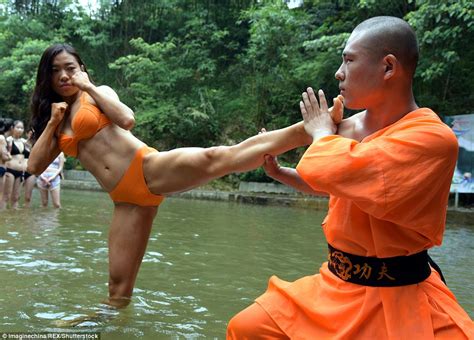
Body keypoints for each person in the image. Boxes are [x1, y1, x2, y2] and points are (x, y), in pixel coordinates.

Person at [27, 43, 343, 308]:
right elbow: (34, 167)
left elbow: (127, 119)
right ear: (47, 77)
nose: (63, 75)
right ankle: (107, 324)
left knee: (218, 156)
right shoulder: (54, 120)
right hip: (124, 201)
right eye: (55, 71)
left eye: (69, 67)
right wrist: (54, 123)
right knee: (118, 288)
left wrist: (87, 86)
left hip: (147, 168)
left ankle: (314, 127)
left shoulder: (96, 93)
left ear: (81, 67)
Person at [227, 16, 473, 339]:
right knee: (245, 328)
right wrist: (281, 172)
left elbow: (336, 167)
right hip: (337, 286)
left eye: (348, 60)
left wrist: (319, 133)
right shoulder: (349, 128)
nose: (338, 73)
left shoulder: (433, 139)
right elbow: (336, 182)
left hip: (402, 293)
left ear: (388, 67)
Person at [0, 120, 28, 210]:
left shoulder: (24, 142)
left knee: (16, 197)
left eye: (22, 128)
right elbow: (4, 154)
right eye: (18, 127)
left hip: (20, 171)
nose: (20, 130)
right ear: (13, 128)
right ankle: (3, 216)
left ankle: (13, 220)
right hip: (10, 169)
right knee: (6, 196)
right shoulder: (8, 140)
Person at [22, 128, 36, 208]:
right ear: (27, 134)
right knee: (16, 196)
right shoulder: (22, 142)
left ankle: (26, 215)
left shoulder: (36, 145)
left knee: (28, 197)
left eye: (33, 134)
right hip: (21, 169)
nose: (31, 135)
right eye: (30, 133)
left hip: (31, 172)